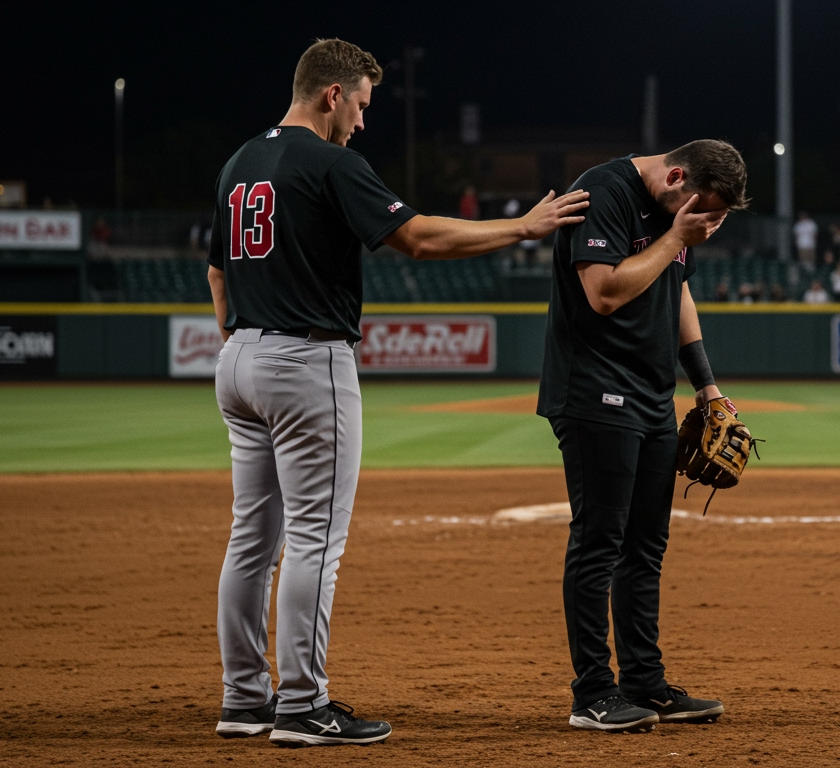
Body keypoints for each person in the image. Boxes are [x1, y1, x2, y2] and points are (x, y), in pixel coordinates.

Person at [206, 39, 589, 746]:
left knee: (252, 539)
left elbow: (218, 272)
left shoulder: (240, 161)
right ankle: (303, 706)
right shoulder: (329, 160)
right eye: (361, 103)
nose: (361, 119)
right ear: (332, 94)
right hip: (304, 356)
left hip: (238, 358)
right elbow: (417, 238)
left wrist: (239, 340)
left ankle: (243, 698)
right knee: (314, 541)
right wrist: (523, 227)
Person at [537, 139, 744, 733]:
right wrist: (676, 236)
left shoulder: (678, 216)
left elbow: (677, 289)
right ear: (676, 175)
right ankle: (592, 694)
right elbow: (602, 293)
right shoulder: (604, 193)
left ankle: (645, 684)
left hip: (653, 394)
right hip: (593, 389)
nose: (710, 224)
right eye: (706, 210)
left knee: (645, 546)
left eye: (720, 217)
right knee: (600, 539)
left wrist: (705, 385)